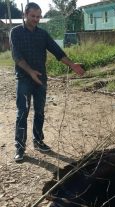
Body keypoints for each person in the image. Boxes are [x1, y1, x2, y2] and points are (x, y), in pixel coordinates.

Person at [10, 2, 84, 162]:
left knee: (40, 112)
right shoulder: (15, 32)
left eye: (38, 16)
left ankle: (38, 141)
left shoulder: (42, 34)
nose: (36, 19)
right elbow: (16, 56)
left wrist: (72, 65)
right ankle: (20, 148)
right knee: (22, 112)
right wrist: (30, 72)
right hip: (24, 79)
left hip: (41, 80)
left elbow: (57, 51)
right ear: (25, 14)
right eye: (33, 16)